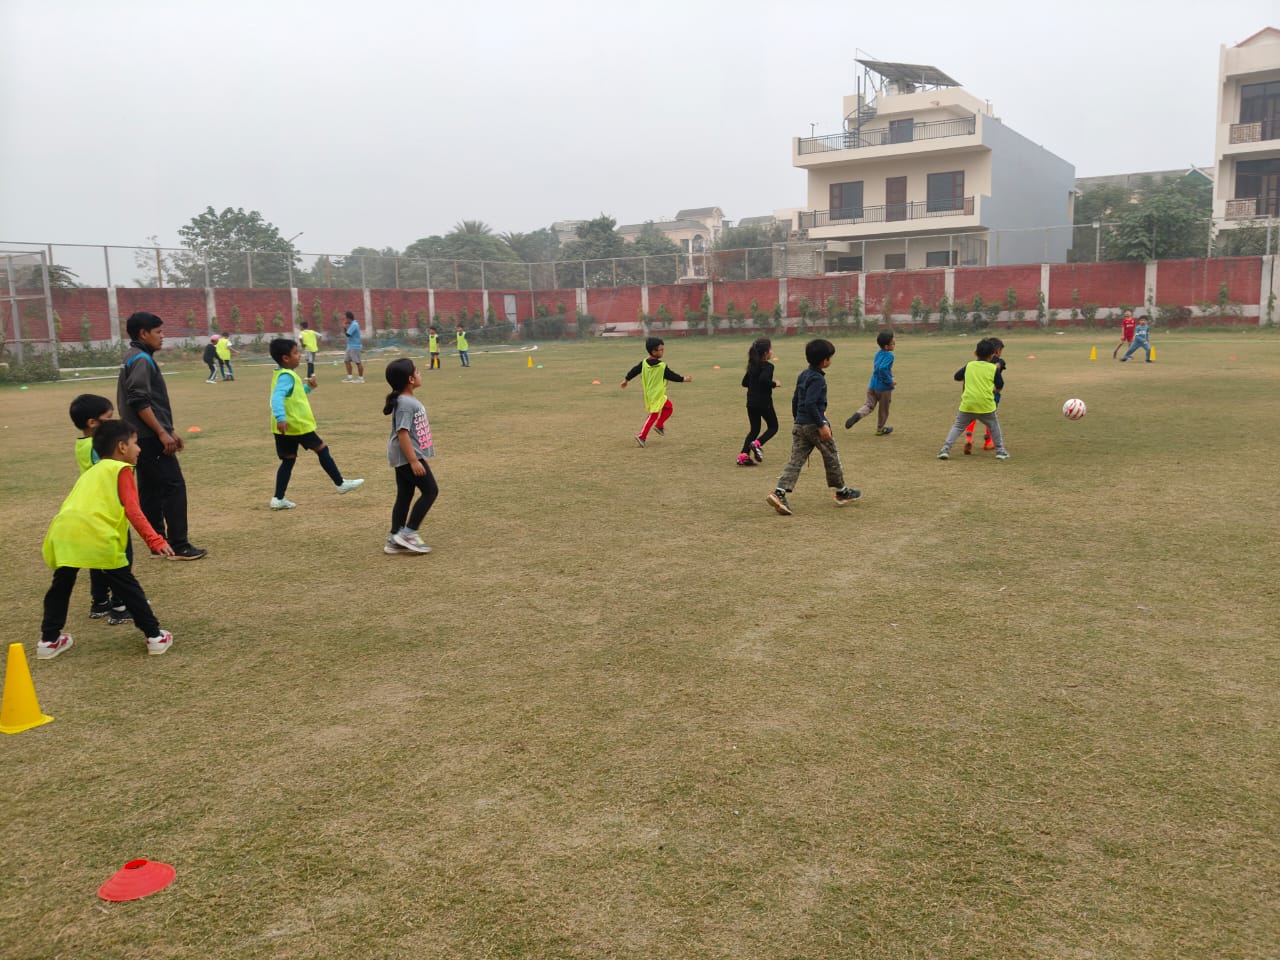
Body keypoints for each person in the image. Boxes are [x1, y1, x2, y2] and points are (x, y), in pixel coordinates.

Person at [37, 420, 176, 660]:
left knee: (61, 586)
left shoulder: (92, 472)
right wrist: (155, 540)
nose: (139, 449)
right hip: (98, 534)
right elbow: (133, 510)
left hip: (64, 533)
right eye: (135, 443)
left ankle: (48, 641)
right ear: (122, 447)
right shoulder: (120, 469)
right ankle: (155, 637)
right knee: (127, 586)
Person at [116, 311, 207, 560]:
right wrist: (160, 433)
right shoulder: (142, 359)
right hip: (147, 437)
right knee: (173, 485)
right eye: (158, 332)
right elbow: (138, 401)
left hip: (140, 436)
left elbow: (149, 402)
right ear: (143, 333)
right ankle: (179, 545)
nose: (162, 337)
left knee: (151, 489)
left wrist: (170, 430)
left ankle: (158, 543)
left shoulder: (134, 356)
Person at [766, 339, 862, 515]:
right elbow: (810, 404)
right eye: (830, 358)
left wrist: (798, 420)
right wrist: (821, 424)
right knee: (831, 455)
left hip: (800, 425)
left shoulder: (803, 375)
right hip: (813, 425)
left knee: (796, 460)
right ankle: (841, 491)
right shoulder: (818, 379)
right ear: (824, 361)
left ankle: (779, 492)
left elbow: (796, 400)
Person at [269, 338, 364, 510]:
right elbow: (276, 397)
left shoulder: (281, 374)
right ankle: (340, 483)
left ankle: (278, 498)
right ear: (285, 358)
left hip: (286, 428)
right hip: (297, 425)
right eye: (296, 353)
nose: (299, 356)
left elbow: (294, 397)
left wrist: (309, 388)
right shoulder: (286, 376)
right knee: (322, 449)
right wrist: (281, 417)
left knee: (288, 461)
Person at [68, 394, 132, 625]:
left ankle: (99, 602)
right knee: (120, 558)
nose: (113, 422)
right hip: (109, 510)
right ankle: (120, 605)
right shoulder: (98, 448)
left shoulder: (82, 444)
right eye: (108, 418)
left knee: (97, 560)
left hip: (93, 511)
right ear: (92, 423)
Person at [382, 358, 438, 555]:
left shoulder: (407, 400)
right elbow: (402, 432)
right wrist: (414, 460)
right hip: (406, 457)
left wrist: (419, 456)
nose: (419, 373)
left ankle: (394, 538)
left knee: (405, 495)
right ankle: (408, 533)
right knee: (431, 491)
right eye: (417, 371)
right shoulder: (406, 403)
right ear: (410, 379)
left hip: (408, 455)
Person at [937, 338, 1009, 461]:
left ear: (975, 353)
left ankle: (945, 450)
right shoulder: (993, 368)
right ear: (992, 355)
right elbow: (1000, 385)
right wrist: (994, 390)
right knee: (994, 426)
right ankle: (1001, 451)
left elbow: (957, 377)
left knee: (958, 427)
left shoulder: (969, 365)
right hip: (986, 405)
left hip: (968, 404)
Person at [620, 336, 692, 447]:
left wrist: (626, 379)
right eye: (661, 349)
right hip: (655, 395)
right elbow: (672, 376)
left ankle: (659, 425)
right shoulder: (661, 366)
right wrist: (684, 379)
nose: (663, 351)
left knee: (669, 407)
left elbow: (634, 371)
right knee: (653, 415)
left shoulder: (643, 363)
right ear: (654, 351)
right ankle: (641, 436)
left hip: (653, 394)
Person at [844, 329, 897, 435]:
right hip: (883, 389)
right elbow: (881, 369)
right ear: (886, 346)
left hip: (872, 385)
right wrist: (890, 381)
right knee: (883, 410)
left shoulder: (878, 353)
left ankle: (858, 414)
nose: (894, 343)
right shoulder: (890, 355)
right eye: (892, 342)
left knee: (868, 405)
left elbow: (877, 368)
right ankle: (880, 429)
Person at [738, 337, 780, 467]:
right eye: (771, 349)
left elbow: (744, 383)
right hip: (763, 402)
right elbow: (763, 380)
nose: (772, 351)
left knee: (754, 429)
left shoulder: (752, 366)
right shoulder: (768, 366)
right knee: (773, 426)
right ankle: (757, 444)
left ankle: (743, 456)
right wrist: (774, 384)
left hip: (751, 402)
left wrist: (753, 383)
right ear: (766, 353)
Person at [963, 336, 1005, 454]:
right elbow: (999, 367)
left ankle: (969, 437)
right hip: (990, 394)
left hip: (973, 393)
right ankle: (988, 442)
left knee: (971, 415)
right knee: (991, 418)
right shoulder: (999, 361)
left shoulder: (975, 363)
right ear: (996, 350)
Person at [343, 311, 365, 382]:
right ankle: (349, 377)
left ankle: (361, 378)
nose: (345, 320)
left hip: (355, 346)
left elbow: (348, 334)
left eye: (345, 318)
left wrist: (344, 327)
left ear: (348, 318)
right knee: (346, 361)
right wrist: (346, 327)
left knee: (358, 362)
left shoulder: (354, 324)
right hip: (350, 346)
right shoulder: (352, 324)